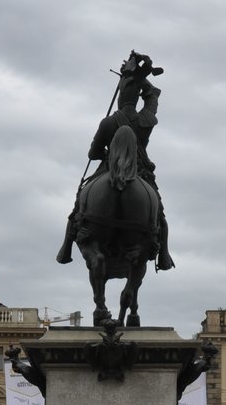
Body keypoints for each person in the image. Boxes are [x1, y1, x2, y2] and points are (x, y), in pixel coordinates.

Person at [56, 51, 175, 271]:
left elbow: (93, 154)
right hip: (140, 171)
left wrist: (132, 76)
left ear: (120, 96)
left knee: (76, 210)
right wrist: (142, 79)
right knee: (159, 214)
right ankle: (164, 256)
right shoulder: (146, 119)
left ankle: (66, 248)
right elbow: (154, 94)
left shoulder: (108, 122)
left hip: (108, 168)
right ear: (138, 95)